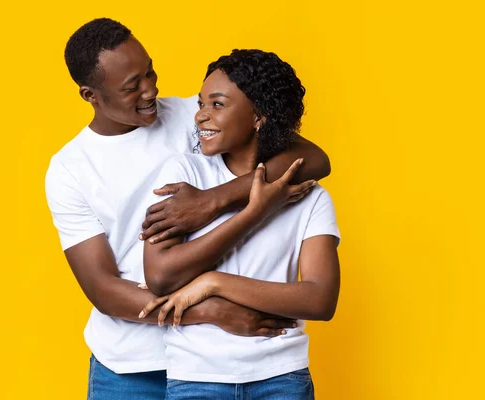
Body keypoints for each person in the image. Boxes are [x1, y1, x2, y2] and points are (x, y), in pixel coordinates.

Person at [45, 18, 331, 400]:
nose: (150, 90)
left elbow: (313, 159)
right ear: (90, 95)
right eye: (132, 86)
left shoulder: (192, 117)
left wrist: (213, 200)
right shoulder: (70, 169)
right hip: (129, 366)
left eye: (149, 72)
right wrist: (210, 309)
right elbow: (102, 287)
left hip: (214, 360)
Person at [140, 49, 340, 399]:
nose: (200, 116)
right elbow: (160, 277)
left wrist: (214, 282)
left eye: (217, 104)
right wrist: (253, 211)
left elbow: (320, 299)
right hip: (196, 377)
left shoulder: (310, 195)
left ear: (259, 116)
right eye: (201, 104)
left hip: (281, 377)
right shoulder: (185, 175)